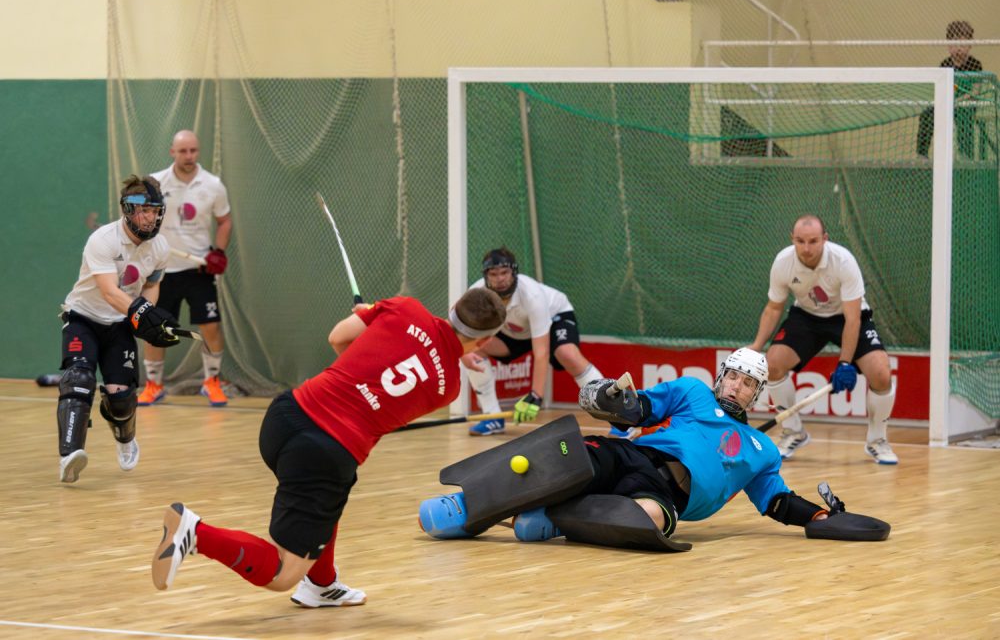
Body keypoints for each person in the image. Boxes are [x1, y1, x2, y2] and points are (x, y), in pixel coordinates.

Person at [150, 288, 506, 607]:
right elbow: (403, 383)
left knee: (331, 496)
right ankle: (195, 534)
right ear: (485, 341)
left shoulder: (404, 307)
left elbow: (339, 338)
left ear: (454, 306)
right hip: (324, 451)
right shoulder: (449, 388)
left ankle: (322, 585)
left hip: (285, 416)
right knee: (283, 573)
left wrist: (373, 318)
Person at [419, 348, 888, 548]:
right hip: (635, 455)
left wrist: (819, 517)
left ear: (758, 394)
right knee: (569, 455)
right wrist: (614, 401)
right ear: (721, 375)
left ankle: (547, 519)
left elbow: (777, 502)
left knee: (650, 520)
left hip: (667, 494)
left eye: (748, 383)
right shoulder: (692, 391)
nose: (737, 386)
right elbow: (639, 407)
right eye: (733, 376)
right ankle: (467, 508)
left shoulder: (762, 449)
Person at [57, 175, 182, 483]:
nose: (150, 217)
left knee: (121, 397)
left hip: (119, 323)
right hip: (83, 317)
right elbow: (110, 292)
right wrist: (141, 312)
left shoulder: (160, 248)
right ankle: (69, 456)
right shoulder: (103, 240)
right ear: (128, 210)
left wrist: (147, 317)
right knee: (78, 379)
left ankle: (125, 439)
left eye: (155, 211)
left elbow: (151, 285)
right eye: (144, 211)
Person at [749, 215, 897, 464]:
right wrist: (756, 347)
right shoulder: (783, 262)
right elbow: (774, 308)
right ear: (792, 239)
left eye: (813, 241)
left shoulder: (843, 261)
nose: (806, 248)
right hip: (807, 317)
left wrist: (845, 363)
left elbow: (853, 319)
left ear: (825, 239)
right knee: (772, 365)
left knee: (881, 374)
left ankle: (877, 440)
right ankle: (793, 432)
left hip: (847, 317)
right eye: (800, 241)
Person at [463, 247, 603, 436]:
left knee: (567, 354)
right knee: (473, 349)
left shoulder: (531, 294)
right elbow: (459, 331)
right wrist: (463, 353)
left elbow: (541, 352)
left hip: (555, 317)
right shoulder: (476, 294)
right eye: (493, 274)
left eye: (504, 272)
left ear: (514, 272)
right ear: (485, 276)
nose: (500, 279)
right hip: (516, 331)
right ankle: (491, 417)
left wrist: (536, 395)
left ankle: (617, 413)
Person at [138, 130, 232, 407]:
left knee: (211, 326)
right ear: (172, 152)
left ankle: (211, 382)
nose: (189, 156)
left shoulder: (213, 185)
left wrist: (218, 252)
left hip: (198, 269)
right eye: (183, 151)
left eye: (193, 150)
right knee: (154, 328)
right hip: (161, 270)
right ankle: (154, 385)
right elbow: (140, 217)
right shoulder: (155, 184)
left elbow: (225, 221)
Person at [916, 20, 984, 159]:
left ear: (970, 45)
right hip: (948, 102)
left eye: (962, 45)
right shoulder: (945, 64)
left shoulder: (975, 65)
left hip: (966, 104)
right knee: (927, 114)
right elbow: (941, 89)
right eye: (954, 44)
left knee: (964, 118)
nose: (958, 49)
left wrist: (958, 101)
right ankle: (922, 155)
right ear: (948, 45)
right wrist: (947, 102)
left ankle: (965, 156)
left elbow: (975, 92)